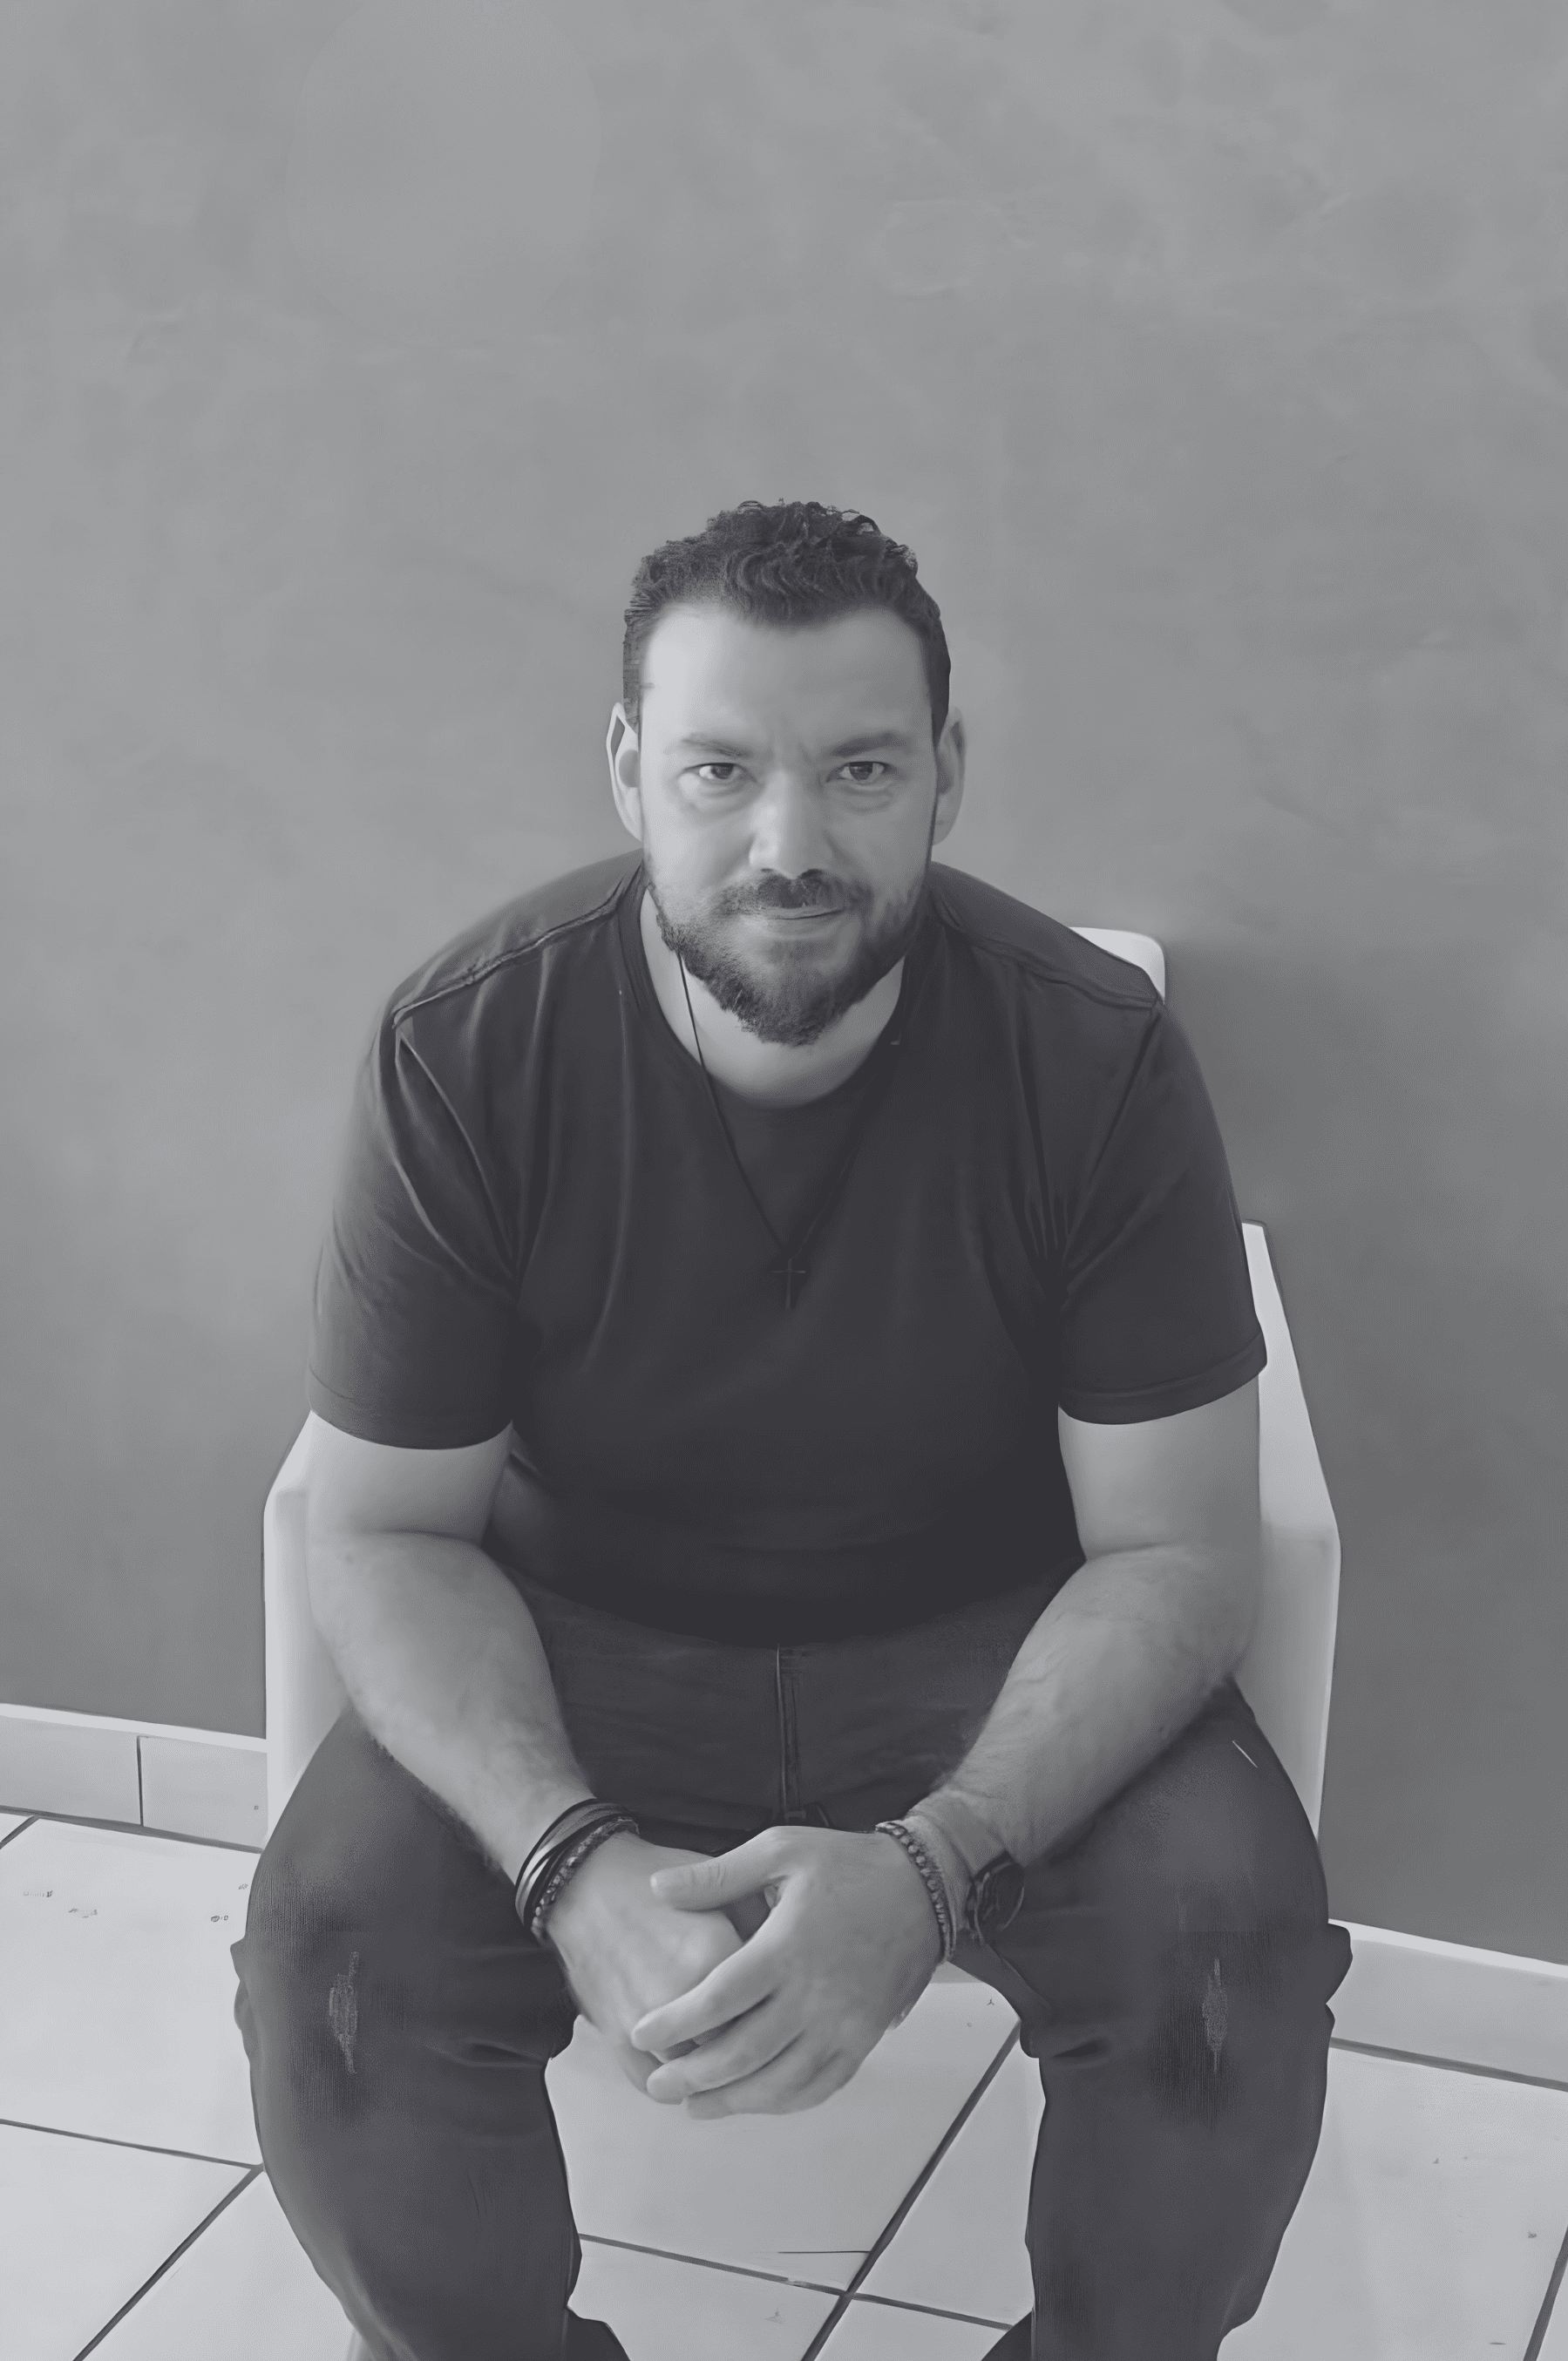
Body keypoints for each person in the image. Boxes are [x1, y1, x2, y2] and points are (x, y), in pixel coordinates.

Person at [232, 499, 1353, 2361]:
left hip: (986, 1642)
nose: (787, 843)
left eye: (856, 769)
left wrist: (931, 1868)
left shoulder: (1089, 1057)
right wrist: (564, 1862)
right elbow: (380, 1527)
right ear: (626, 773)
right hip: (576, 1638)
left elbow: (1172, 1547)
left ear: (944, 777)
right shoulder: (466, 1047)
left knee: (1223, 1973)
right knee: (334, 1976)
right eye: (718, 769)